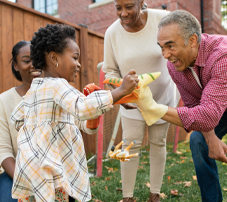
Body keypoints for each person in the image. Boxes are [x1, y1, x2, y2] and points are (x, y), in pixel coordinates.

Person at [136, 10, 227, 202]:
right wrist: (211, 138)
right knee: (198, 140)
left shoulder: (226, 54)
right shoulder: (175, 66)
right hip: (226, 106)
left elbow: (206, 115)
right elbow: (194, 106)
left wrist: (154, 109)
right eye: (161, 47)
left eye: (170, 46)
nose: (166, 55)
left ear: (192, 41)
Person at [10, 24, 139, 202]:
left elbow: (16, 118)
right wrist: (120, 91)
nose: (78, 64)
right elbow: (82, 107)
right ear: (54, 58)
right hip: (55, 169)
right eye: (75, 57)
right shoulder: (58, 85)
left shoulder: (35, 89)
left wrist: (34, 135)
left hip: (35, 168)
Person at [103, 0, 179, 202]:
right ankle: (127, 197)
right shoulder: (112, 33)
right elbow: (110, 72)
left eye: (129, 7)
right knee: (129, 145)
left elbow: (179, 49)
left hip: (161, 99)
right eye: (118, 8)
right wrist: (121, 91)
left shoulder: (163, 20)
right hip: (131, 101)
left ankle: (155, 193)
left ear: (142, 1)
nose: (123, 13)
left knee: (158, 142)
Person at [0, 40, 42, 202]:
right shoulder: (4, 101)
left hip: (54, 173)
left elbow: (84, 126)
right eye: (27, 61)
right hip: (17, 171)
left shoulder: (58, 94)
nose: (33, 65)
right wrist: (23, 181)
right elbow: (3, 150)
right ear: (16, 66)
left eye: (37, 59)